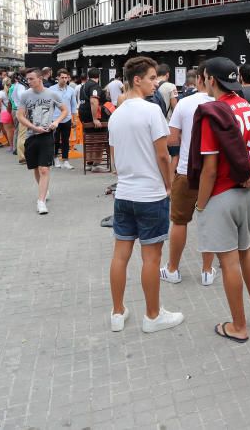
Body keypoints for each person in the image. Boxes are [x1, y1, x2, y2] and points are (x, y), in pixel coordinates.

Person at [192, 57, 250, 343]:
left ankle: (238, 326)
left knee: (228, 262)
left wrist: (200, 205)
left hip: (220, 195)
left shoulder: (213, 113)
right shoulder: (247, 107)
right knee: (247, 252)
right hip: (245, 194)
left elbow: (210, 169)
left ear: (210, 80)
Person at [107, 56, 184, 333]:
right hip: (150, 194)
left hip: (124, 194)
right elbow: (163, 155)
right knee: (151, 258)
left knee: (120, 255)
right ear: (136, 79)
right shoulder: (151, 112)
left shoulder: (116, 115)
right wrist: (168, 185)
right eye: (152, 78)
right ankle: (152, 315)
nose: (156, 82)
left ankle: (117, 312)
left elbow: (115, 161)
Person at [161, 62, 217, 285]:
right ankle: (206, 270)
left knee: (179, 222)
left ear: (200, 79)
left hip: (186, 170)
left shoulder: (184, 104)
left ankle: (173, 269)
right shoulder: (224, 103)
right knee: (209, 222)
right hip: (213, 173)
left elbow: (172, 139)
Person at [16, 67, 68, 215]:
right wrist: (33, 127)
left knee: (44, 168)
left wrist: (56, 121)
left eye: (32, 78)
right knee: (36, 168)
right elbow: (20, 116)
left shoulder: (52, 94)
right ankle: (44, 190)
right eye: (28, 79)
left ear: (40, 79)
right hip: (31, 135)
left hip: (46, 135)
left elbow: (64, 110)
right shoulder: (25, 95)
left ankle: (41, 201)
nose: (29, 81)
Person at [79, 68, 110, 171]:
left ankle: (89, 162)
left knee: (90, 138)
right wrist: (95, 119)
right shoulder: (94, 86)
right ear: (99, 76)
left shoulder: (83, 86)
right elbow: (94, 101)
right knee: (100, 139)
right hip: (92, 116)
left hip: (83, 115)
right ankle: (96, 164)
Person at [49, 69, 78, 170]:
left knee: (66, 140)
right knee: (56, 140)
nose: (64, 79)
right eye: (62, 77)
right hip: (55, 119)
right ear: (57, 78)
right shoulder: (51, 89)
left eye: (66, 78)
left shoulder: (71, 90)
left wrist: (75, 120)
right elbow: (48, 105)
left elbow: (73, 106)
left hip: (67, 118)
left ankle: (66, 160)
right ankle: (56, 158)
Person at [0, 76, 14, 151]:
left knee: (8, 130)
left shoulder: (1, 93)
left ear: (3, 84)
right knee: (14, 130)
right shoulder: (13, 91)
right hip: (14, 111)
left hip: (5, 112)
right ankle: (16, 145)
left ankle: (11, 146)